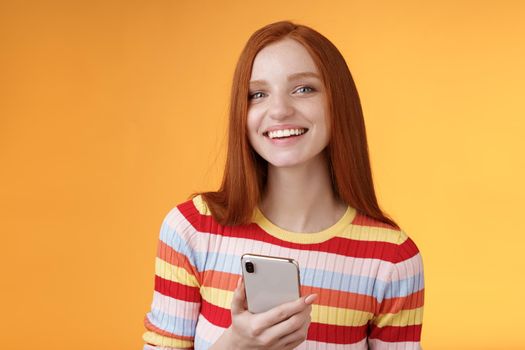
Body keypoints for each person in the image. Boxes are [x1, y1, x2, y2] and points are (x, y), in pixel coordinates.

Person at [142, 21, 424, 350]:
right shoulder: (192, 229)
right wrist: (235, 345)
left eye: (303, 89)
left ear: (338, 102)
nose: (279, 110)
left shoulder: (392, 259)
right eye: (257, 94)